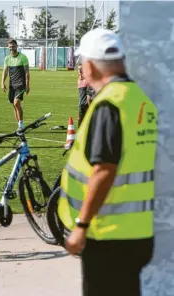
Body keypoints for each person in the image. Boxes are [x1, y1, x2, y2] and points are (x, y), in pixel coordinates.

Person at [57, 28, 158, 296]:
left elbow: (104, 170)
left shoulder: (109, 105)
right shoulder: (142, 101)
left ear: (89, 66)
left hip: (107, 234)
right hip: (140, 232)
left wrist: (81, 226)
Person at [1, 39, 30, 130]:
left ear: (17, 46)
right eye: (10, 47)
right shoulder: (7, 58)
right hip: (12, 85)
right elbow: (5, 71)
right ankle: (19, 125)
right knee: (14, 105)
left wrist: (27, 85)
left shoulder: (23, 57)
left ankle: (21, 124)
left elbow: (27, 72)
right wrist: (2, 82)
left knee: (16, 103)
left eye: (13, 46)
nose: (11, 48)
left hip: (21, 84)